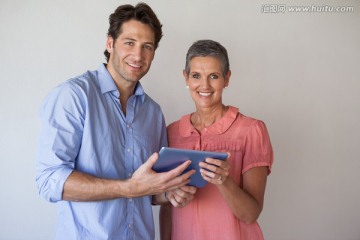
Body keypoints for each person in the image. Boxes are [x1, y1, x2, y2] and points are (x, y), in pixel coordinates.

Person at [35, 3, 196, 240]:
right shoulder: (74, 97)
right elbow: (49, 180)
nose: (138, 55)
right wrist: (128, 188)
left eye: (147, 47)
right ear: (110, 43)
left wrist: (170, 191)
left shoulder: (153, 112)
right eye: (129, 43)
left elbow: (150, 190)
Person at [160, 40, 274, 240]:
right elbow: (167, 207)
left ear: (227, 78)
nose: (204, 86)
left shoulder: (251, 131)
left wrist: (224, 181)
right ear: (186, 78)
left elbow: (251, 214)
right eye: (196, 76)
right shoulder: (171, 133)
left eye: (213, 76)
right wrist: (170, 194)